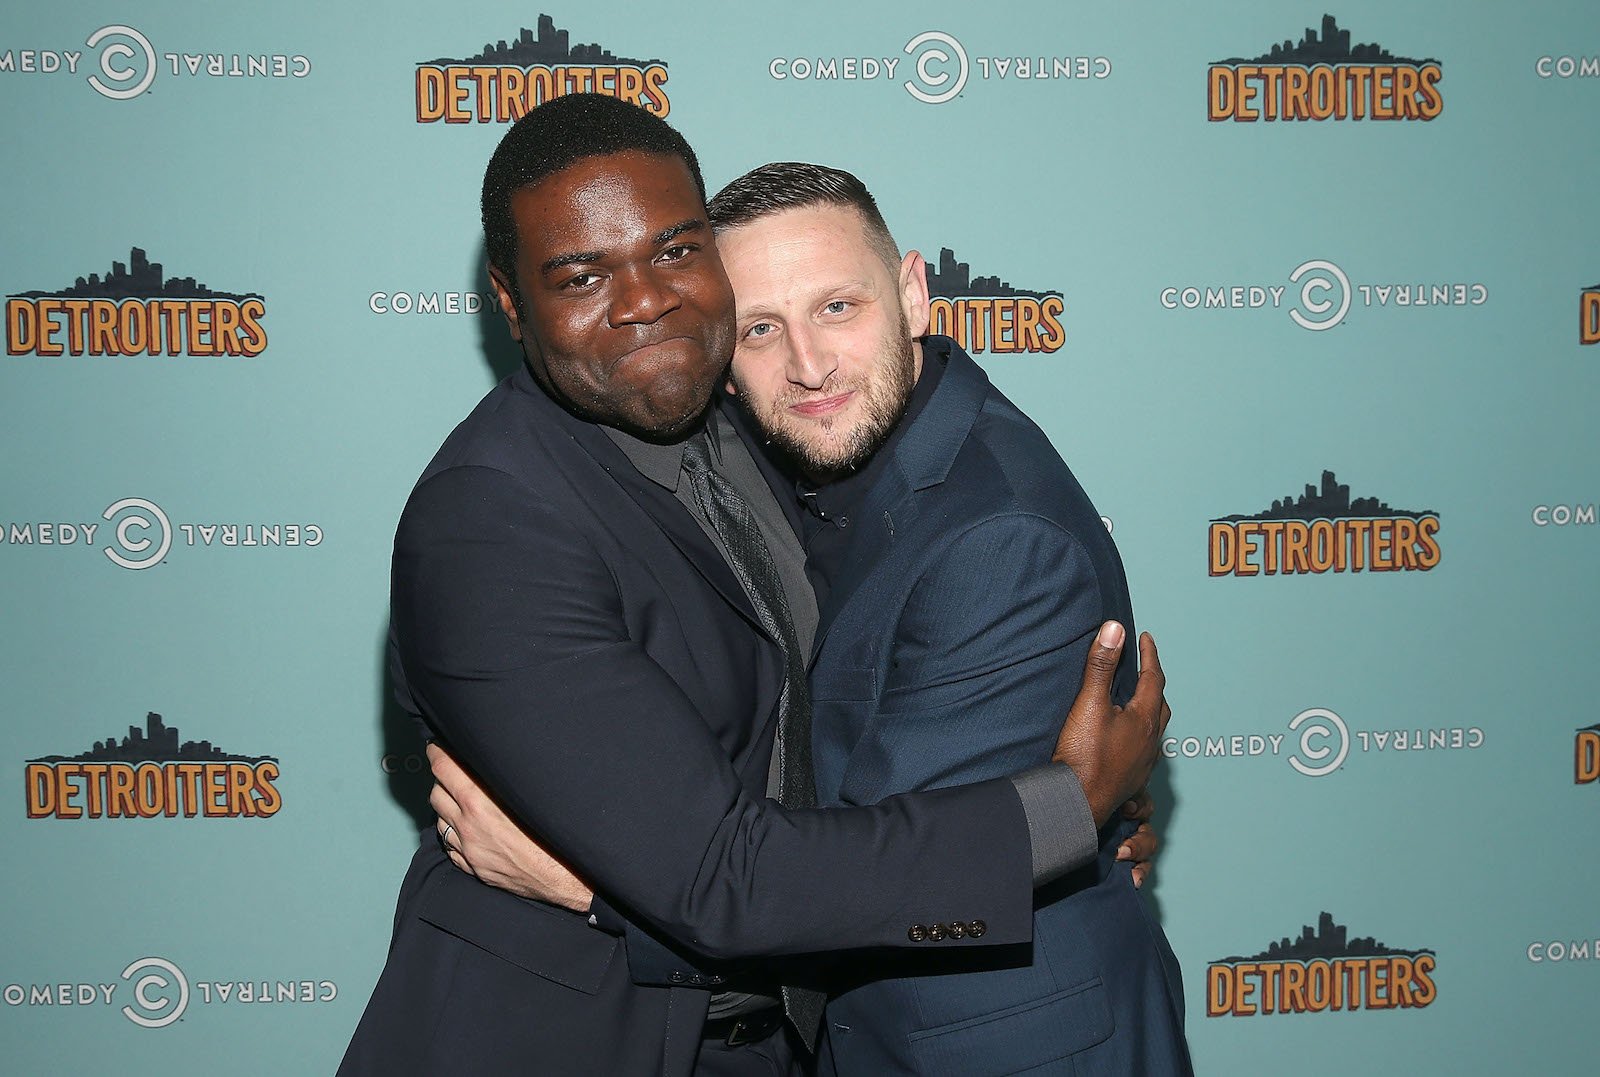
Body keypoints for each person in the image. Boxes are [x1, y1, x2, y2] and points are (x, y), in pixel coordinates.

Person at [340, 94, 1169, 1077]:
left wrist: (1080, 829)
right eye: (582, 275)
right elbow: (724, 878)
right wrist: (1057, 820)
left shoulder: (750, 418)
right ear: (512, 303)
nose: (644, 301)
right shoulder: (487, 526)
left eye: (674, 251)